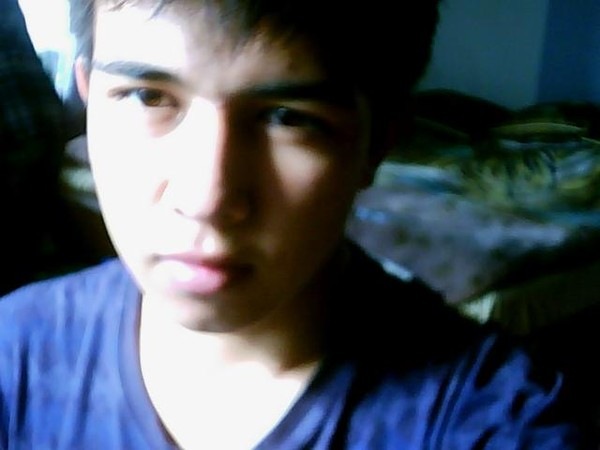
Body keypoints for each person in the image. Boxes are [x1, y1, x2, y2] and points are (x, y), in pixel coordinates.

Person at [0, 0, 589, 448]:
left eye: (288, 117)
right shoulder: (13, 352)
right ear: (87, 98)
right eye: (147, 98)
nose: (207, 198)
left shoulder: (496, 419)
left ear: (377, 143)